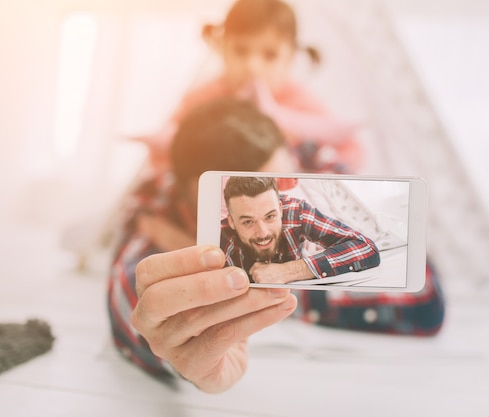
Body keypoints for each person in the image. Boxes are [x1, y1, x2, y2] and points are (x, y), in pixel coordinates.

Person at [108, 98, 444, 394]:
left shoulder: (299, 184)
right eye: (247, 216)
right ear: (206, 207)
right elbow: (134, 301)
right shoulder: (157, 209)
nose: (269, 226)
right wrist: (175, 351)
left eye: (281, 193)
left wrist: (288, 276)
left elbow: (424, 297)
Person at [139, 0, 362, 175]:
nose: (252, 66)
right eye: (240, 50)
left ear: (290, 58)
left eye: (270, 55)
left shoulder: (299, 100)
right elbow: (163, 154)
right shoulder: (204, 97)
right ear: (222, 47)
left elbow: (350, 152)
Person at [221, 176, 380, 283]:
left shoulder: (296, 212)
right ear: (232, 222)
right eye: (248, 222)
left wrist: (289, 271)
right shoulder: (220, 241)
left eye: (270, 217)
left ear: (281, 209)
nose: (263, 233)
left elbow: (366, 247)